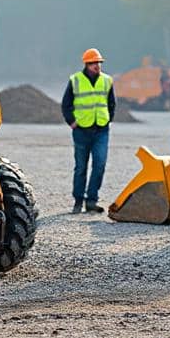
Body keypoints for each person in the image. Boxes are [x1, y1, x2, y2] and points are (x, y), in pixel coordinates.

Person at [61, 47, 115, 214]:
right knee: (81, 167)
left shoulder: (107, 80)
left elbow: (111, 103)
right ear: (86, 64)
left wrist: (108, 120)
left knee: (100, 165)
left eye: (98, 63)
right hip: (81, 130)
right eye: (93, 63)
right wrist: (72, 122)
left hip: (101, 130)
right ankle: (78, 201)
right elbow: (66, 104)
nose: (97, 66)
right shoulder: (75, 80)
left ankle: (91, 201)